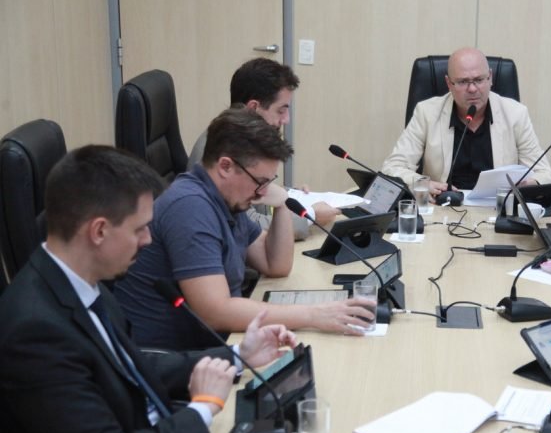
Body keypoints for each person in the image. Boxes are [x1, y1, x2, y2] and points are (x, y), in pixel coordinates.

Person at [0, 145, 297, 433]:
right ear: (99, 231)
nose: (148, 240)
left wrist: (238, 356)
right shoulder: (35, 332)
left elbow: (134, 367)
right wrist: (202, 409)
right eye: (139, 229)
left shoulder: (82, 282)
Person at [114, 107, 375, 351]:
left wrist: (282, 204)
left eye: (268, 181)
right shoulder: (190, 206)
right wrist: (313, 315)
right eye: (259, 181)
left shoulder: (227, 197)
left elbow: (275, 264)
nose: (262, 191)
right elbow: (215, 312)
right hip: (176, 360)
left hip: (217, 346)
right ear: (225, 166)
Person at [188, 58, 340, 240]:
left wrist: (289, 195)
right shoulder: (218, 150)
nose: (286, 120)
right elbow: (249, 227)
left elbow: (255, 201)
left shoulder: (244, 141)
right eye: (281, 110)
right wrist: (310, 216)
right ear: (253, 108)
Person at [381, 47, 551, 200]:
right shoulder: (426, 113)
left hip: (496, 209)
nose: (472, 89)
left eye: (479, 80)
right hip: (443, 208)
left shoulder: (515, 114)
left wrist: (527, 184)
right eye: (463, 82)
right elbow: (392, 168)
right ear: (449, 83)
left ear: (490, 78)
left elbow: (544, 174)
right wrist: (420, 183)